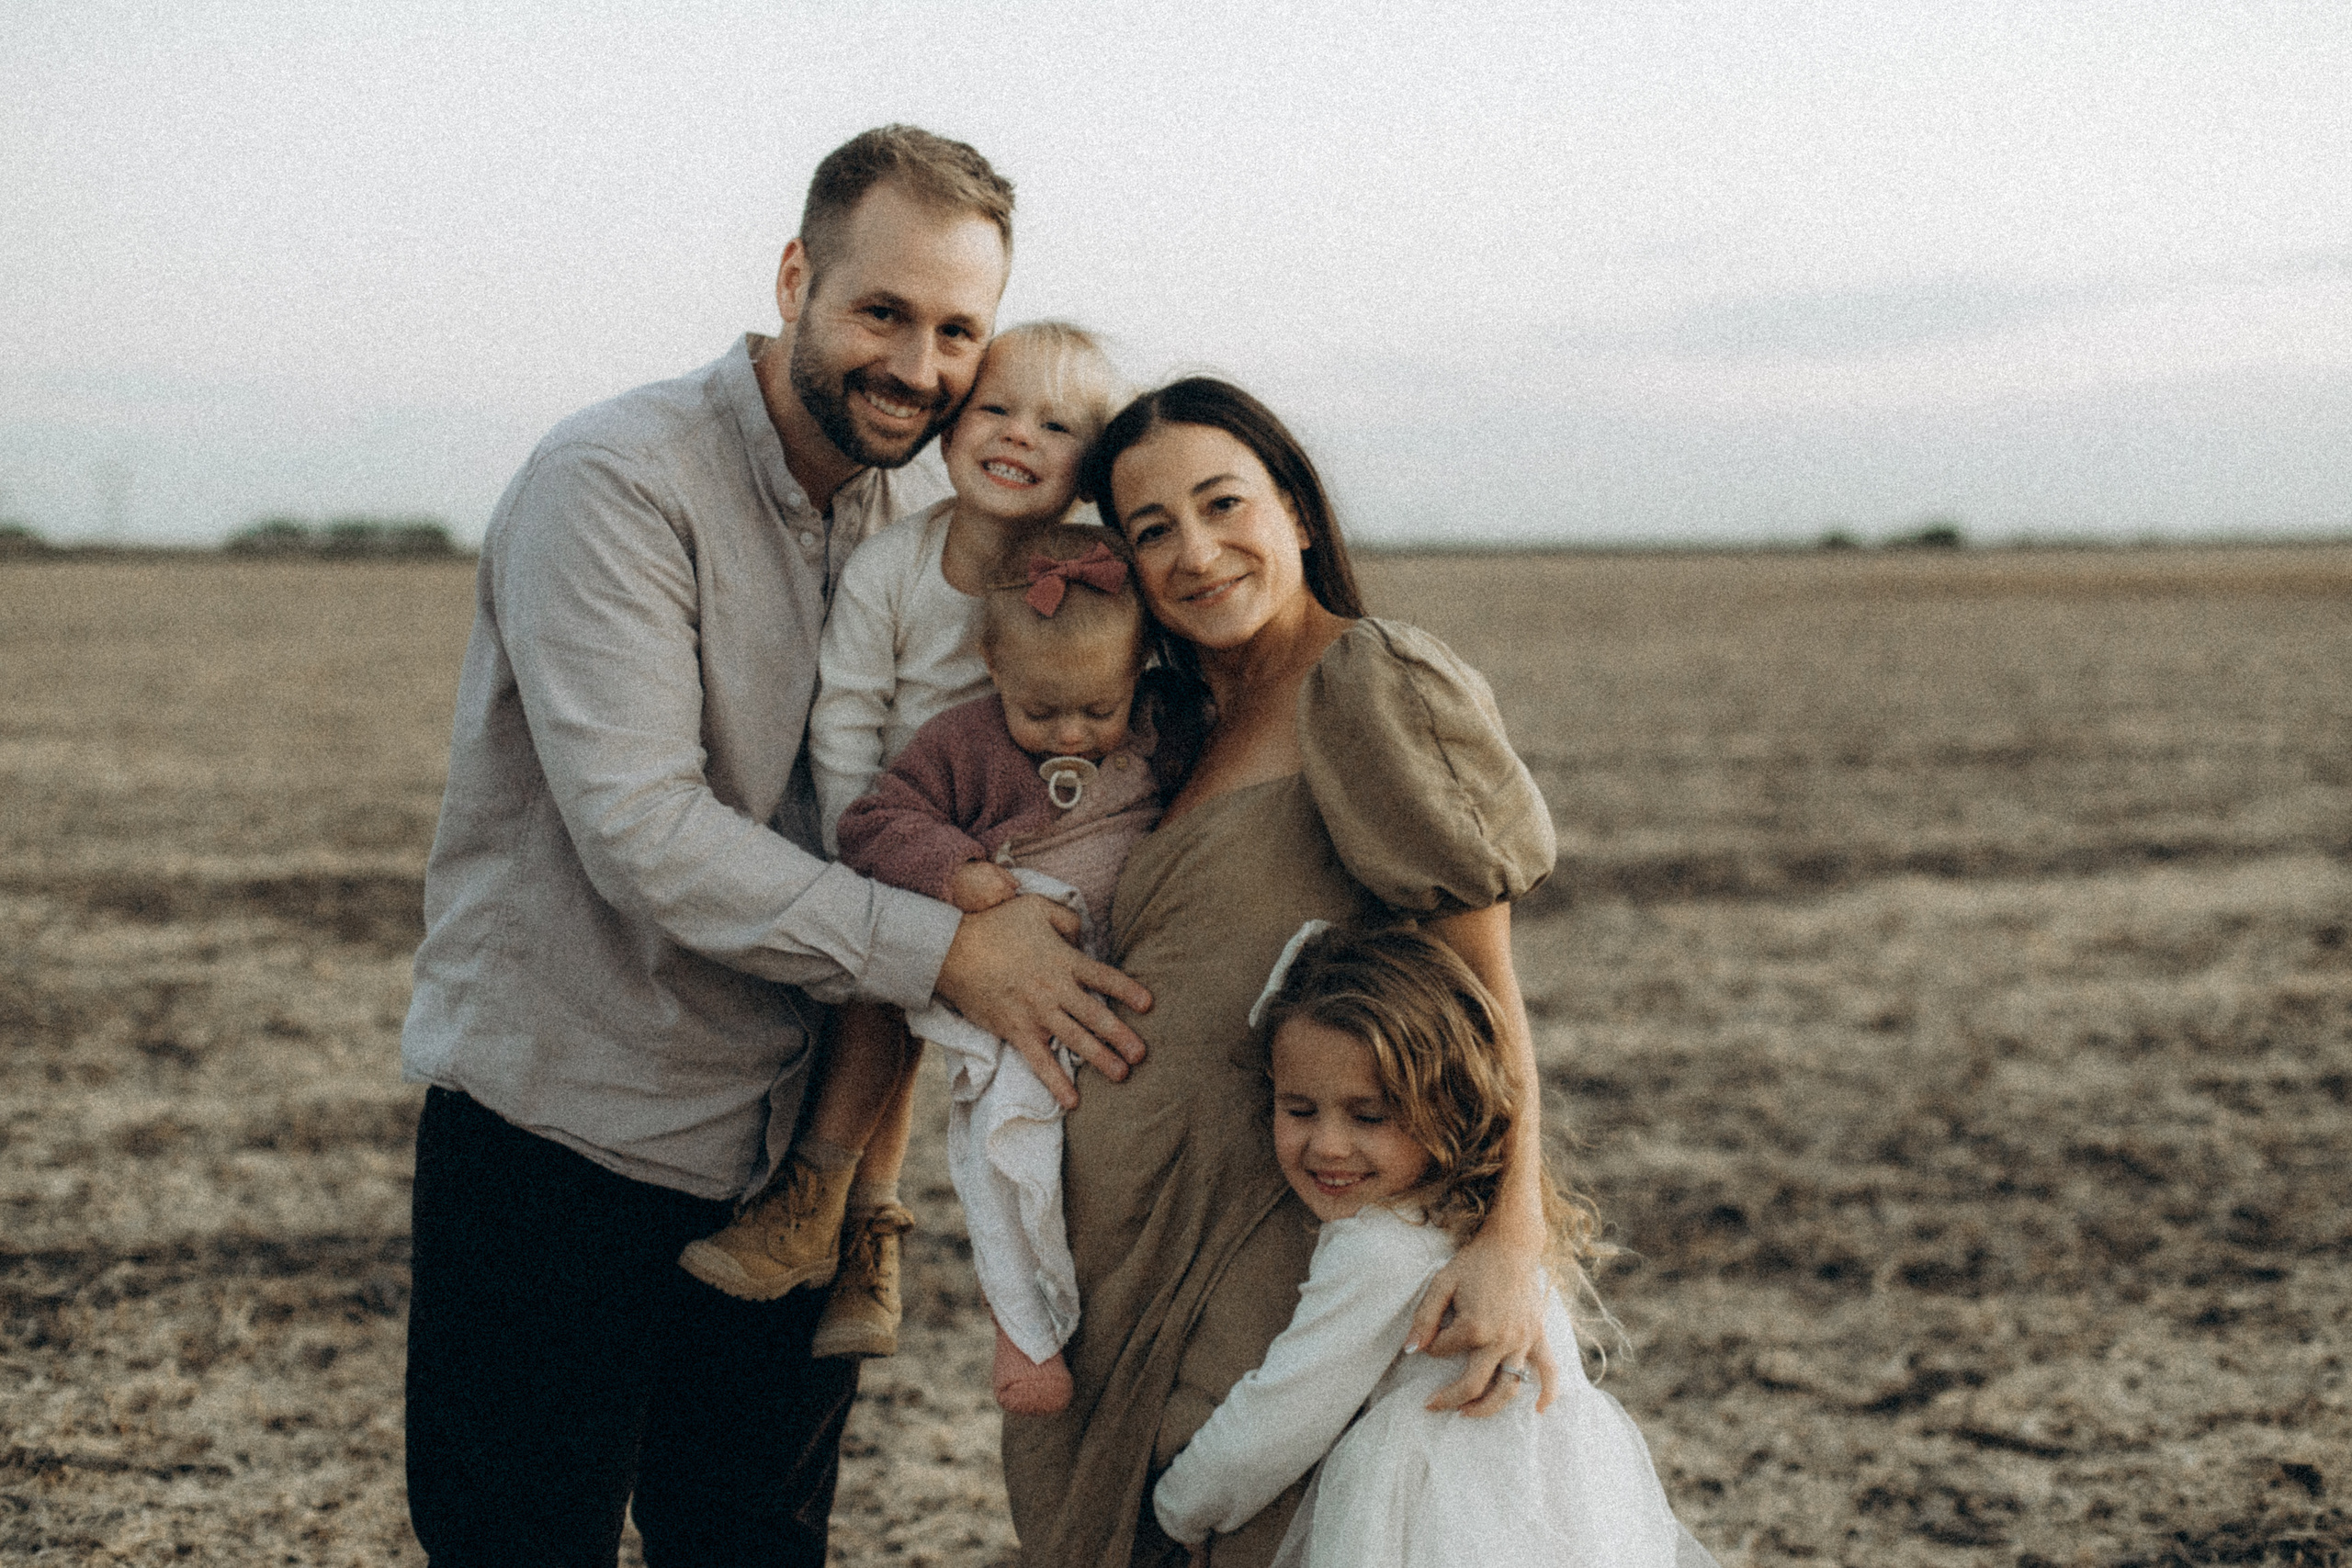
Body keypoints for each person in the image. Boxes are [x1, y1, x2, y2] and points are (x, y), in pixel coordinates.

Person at [399, 126, 1151, 1568]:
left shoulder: (947, 514)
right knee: (516, 1538)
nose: (918, 367)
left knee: (750, 1538)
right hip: (571, 1129)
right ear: (796, 275)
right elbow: (648, 833)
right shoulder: (616, 483)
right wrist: (957, 950)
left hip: (806, 1155)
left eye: (955, 332)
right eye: (882, 312)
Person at [1001, 378, 1559, 1567]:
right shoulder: (1177, 715)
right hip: (1130, 1264)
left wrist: (1515, 1238)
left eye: (1222, 503)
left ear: (1298, 508)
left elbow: (1486, 995)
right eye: (1152, 529)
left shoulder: (1370, 683)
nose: (1196, 553)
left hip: (1262, 1266)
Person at [673, 324, 1126, 1379]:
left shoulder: (1089, 575)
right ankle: (842, 1209)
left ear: (1090, 465)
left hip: (1033, 821)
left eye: (1056, 427)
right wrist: (855, 851)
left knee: (1002, 1063)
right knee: (886, 987)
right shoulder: (894, 564)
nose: (1018, 437)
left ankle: (956, 1254)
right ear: (953, 424)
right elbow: (846, 713)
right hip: (902, 818)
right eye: (997, 411)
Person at [685, 522, 1175, 1425]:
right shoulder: (964, 743)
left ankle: (1100, 1321)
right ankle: (1014, 1325)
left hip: (1116, 976)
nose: (1069, 732)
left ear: (1143, 666)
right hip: (992, 983)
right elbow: (875, 818)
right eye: (1041, 712)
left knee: (1110, 1164)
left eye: (1094, 713)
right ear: (991, 666)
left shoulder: (1161, 727)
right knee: (1001, 1146)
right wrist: (954, 869)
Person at [1154, 924, 1720, 1568]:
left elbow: (1282, 1414)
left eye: (1369, 1115)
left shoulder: (1379, 1246)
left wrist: (1179, 1506)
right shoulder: (1478, 1216)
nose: (1329, 1144)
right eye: (1300, 1108)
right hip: (1560, 1505)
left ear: (1446, 1106)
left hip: (1442, 1513)